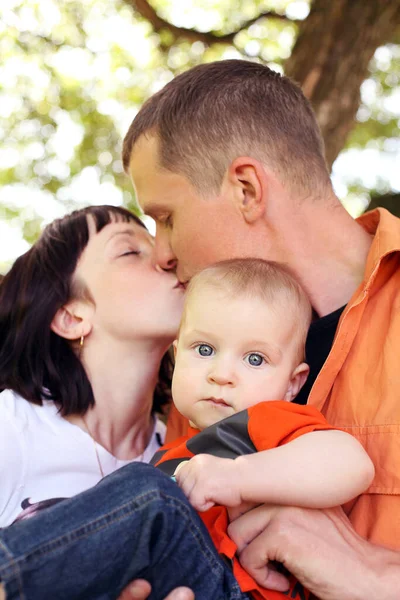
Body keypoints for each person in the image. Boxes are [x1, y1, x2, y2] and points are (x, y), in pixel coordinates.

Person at [121, 59, 400, 599]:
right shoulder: (205, 373)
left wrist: (376, 577)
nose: (161, 251)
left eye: (168, 218)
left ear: (247, 188)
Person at [0, 257, 374, 600]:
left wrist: (238, 477)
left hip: (239, 589)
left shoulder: (266, 420)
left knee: (148, 492)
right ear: (177, 355)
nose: (222, 375)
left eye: (255, 359)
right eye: (205, 349)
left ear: (293, 384)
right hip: (185, 584)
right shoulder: (172, 451)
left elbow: (351, 464)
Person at [0, 204, 184, 526]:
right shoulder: (11, 433)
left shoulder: (181, 452)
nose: (167, 256)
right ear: (71, 317)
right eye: (130, 251)